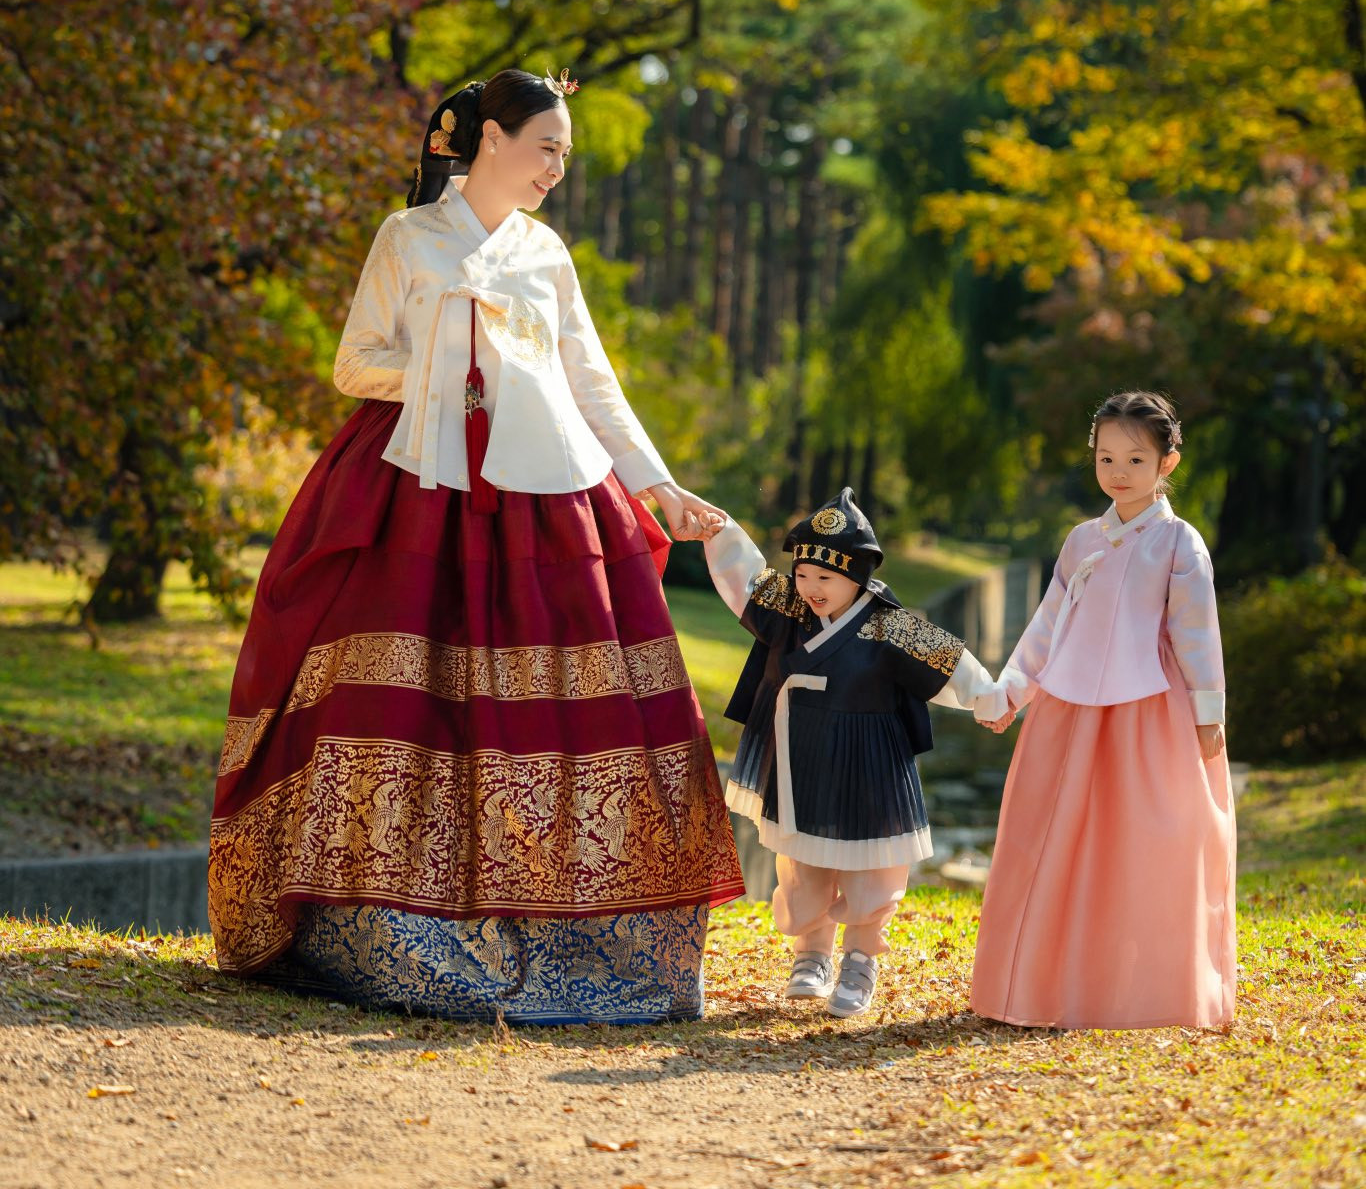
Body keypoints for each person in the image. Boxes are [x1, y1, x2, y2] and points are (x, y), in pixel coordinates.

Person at [209, 69, 744, 1024]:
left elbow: (590, 380)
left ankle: (571, 937)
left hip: (539, 496)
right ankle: (376, 937)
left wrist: (656, 484)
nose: (556, 170)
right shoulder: (408, 237)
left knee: (554, 706)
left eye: (566, 156)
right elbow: (354, 363)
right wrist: (457, 359)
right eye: (547, 147)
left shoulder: (546, 254)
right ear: (489, 138)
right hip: (413, 487)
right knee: (400, 698)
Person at [970, 389, 1236, 1030]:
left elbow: (1197, 633)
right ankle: (1042, 985)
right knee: (1055, 840)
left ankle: (1148, 990)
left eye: (1136, 460)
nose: (1119, 473)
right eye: (1107, 457)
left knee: (1149, 842)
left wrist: (1207, 715)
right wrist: (1011, 690)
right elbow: (1049, 623)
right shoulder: (1082, 538)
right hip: (1068, 713)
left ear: (1168, 463)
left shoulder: (1178, 543)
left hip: (1149, 713)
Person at [703, 487, 1002, 1019]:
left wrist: (990, 699)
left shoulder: (890, 625)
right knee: (801, 859)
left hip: (871, 763)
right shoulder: (787, 611)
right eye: (803, 575)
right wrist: (719, 529)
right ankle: (811, 954)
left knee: (872, 865)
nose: (811, 588)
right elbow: (745, 577)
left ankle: (861, 958)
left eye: (826, 578)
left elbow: (950, 660)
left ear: (858, 577)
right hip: (801, 758)